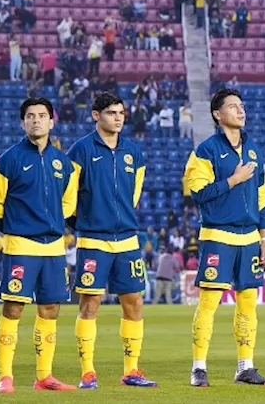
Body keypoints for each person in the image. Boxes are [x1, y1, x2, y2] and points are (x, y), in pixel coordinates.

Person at [0, 97, 79, 393]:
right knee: (13, 309)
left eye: (42, 115)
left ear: (52, 121)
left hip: (53, 248)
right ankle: (5, 377)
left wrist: (49, 225)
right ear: (23, 122)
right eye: (30, 116)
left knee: (50, 310)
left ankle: (44, 377)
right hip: (20, 246)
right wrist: (17, 227)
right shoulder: (9, 160)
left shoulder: (64, 163)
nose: (36, 120)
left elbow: (68, 203)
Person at [183, 88, 265, 386]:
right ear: (217, 114)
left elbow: (262, 197)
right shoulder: (205, 151)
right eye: (233, 106)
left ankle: (245, 367)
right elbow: (198, 193)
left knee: (248, 303)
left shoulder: (254, 150)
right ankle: (198, 368)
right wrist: (233, 180)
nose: (240, 110)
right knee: (209, 302)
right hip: (218, 235)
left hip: (249, 238)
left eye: (242, 105)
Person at [68, 93, 157, 388]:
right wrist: (84, 224)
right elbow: (68, 198)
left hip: (128, 240)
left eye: (121, 112)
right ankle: (87, 372)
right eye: (110, 113)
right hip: (93, 239)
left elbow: (134, 195)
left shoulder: (133, 152)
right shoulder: (79, 151)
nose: (117, 117)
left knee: (134, 303)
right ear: (96, 116)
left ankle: (131, 370)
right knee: (90, 303)